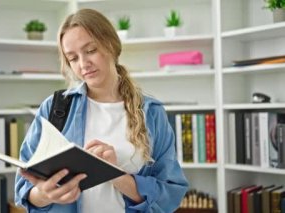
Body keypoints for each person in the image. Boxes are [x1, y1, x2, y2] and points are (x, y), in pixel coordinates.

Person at [15, 8, 188, 213]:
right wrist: (43, 195)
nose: (83, 64)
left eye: (90, 50)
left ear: (112, 45)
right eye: (73, 58)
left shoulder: (151, 113)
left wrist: (114, 175)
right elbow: (23, 191)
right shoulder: (54, 108)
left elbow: (171, 194)